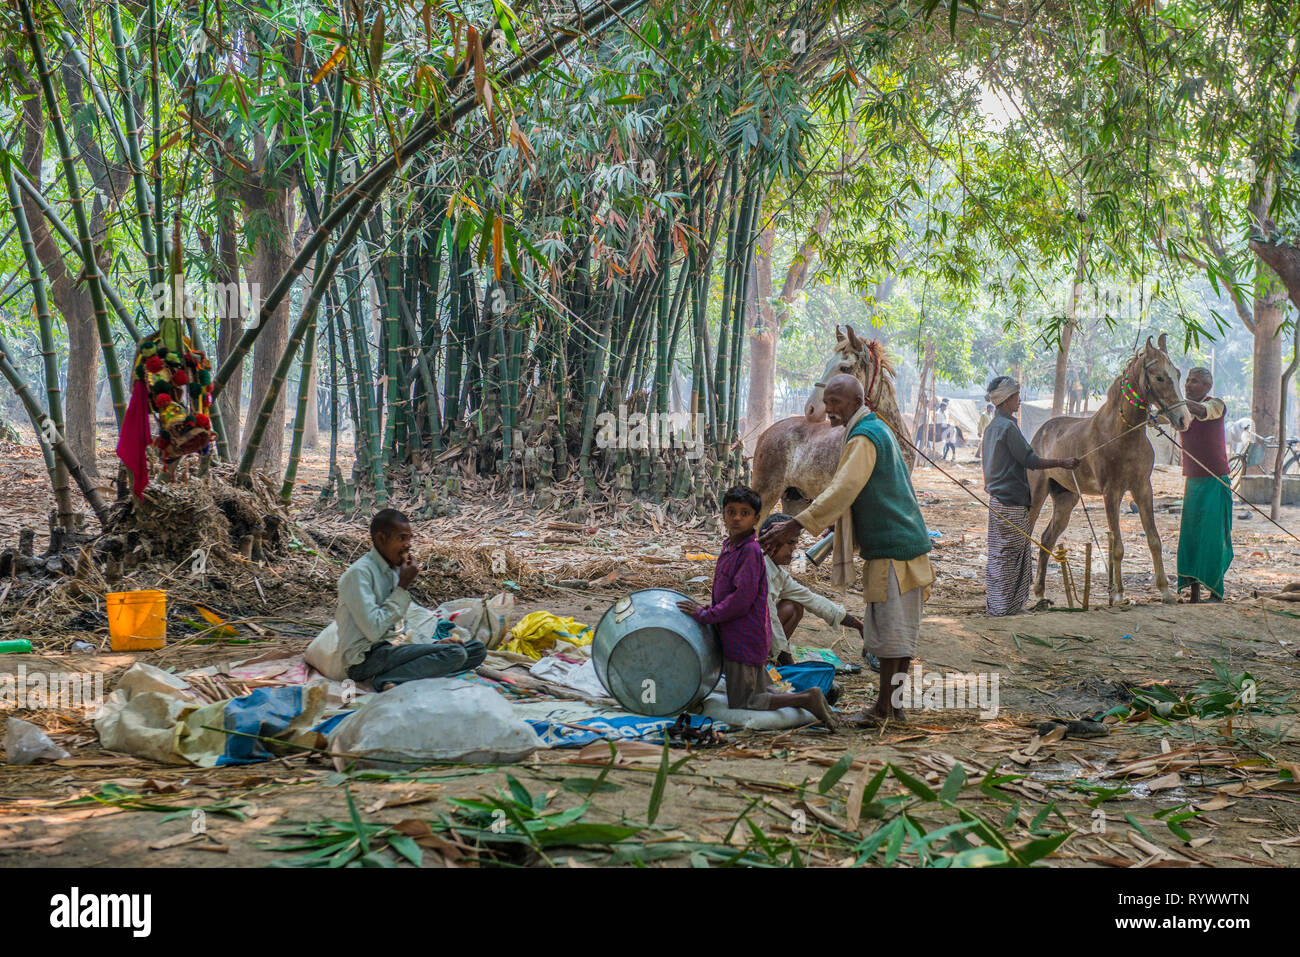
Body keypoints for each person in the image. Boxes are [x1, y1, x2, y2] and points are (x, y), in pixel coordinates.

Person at [760, 374, 932, 725]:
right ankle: (892, 708)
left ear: (856, 401)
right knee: (897, 636)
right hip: (900, 543)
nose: (829, 409)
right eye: (828, 400)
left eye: (836, 401)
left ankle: (886, 709)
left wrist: (795, 524)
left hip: (893, 546)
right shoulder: (873, 430)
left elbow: (843, 488)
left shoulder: (865, 436)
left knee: (889, 637)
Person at [677, 486, 838, 729]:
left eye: (744, 513)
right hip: (741, 634)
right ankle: (802, 697)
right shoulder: (730, 546)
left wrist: (707, 615)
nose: (737, 518)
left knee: (746, 700)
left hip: (743, 637)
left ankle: (807, 698)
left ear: (755, 518)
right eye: (731, 512)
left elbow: (741, 600)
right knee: (761, 688)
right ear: (723, 514)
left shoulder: (751, 552)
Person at [336, 509, 486, 690]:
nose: (408, 545)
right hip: (366, 660)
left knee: (476, 650)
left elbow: (401, 628)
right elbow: (374, 631)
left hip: (394, 650)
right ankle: (385, 680)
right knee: (455, 654)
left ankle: (402, 675)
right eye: (401, 538)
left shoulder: (393, 569)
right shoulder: (359, 575)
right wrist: (403, 586)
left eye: (409, 539)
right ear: (381, 538)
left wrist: (432, 645)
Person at [981, 376, 1080, 616]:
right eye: (1016, 396)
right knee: (1014, 556)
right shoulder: (1008, 427)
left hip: (997, 500)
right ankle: (1008, 607)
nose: (1019, 400)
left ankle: (997, 605)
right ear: (1005, 400)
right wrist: (1062, 462)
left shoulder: (992, 428)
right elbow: (1030, 460)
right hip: (1013, 501)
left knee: (999, 554)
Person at [758, 513, 868, 670]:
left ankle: (771, 661)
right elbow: (770, 621)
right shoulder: (758, 568)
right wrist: (793, 669)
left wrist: (858, 625)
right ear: (769, 540)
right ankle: (773, 664)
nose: (794, 549)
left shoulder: (777, 573)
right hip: (738, 641)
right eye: (790, 543)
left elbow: (812, 600)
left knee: (794, 606)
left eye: (795, 543)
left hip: (755, 636)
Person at [1177, 367, 1233, 602]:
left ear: (1207, 387)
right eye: (1187, 380)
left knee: (1212, 537)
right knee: (1190, 536)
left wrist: (1175, 400)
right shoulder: (1180, 409)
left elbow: (1202, 411)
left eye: (1195, 381)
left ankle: (1215, 592)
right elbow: (1158, 418)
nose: (1189, 385)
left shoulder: (1216, 405)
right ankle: (1194, 593)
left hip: (1215, 480)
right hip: (1193, 482)